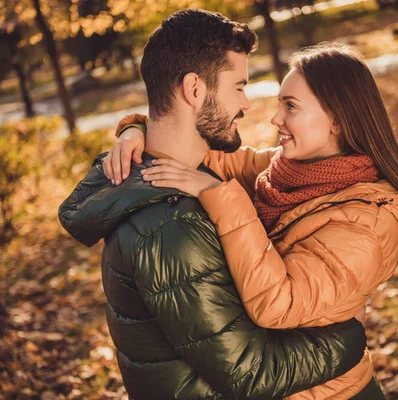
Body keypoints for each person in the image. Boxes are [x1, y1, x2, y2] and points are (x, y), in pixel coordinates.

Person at [58, 10, 368, 400]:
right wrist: (351, 332)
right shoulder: (170, 224)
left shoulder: (185, 175)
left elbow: (302, 167)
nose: (247, 104)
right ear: (194, 89)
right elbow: (250, 373)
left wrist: (135, 127)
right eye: (238, 86)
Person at [107, 42, 398, 399]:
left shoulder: (370, 221)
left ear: (338, 119)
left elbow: (278, 305)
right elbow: (198, 158)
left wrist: (222, 196)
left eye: (291, 106)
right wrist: (136, 130)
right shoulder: (284, 169)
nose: (275, 118)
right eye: (280, 103)